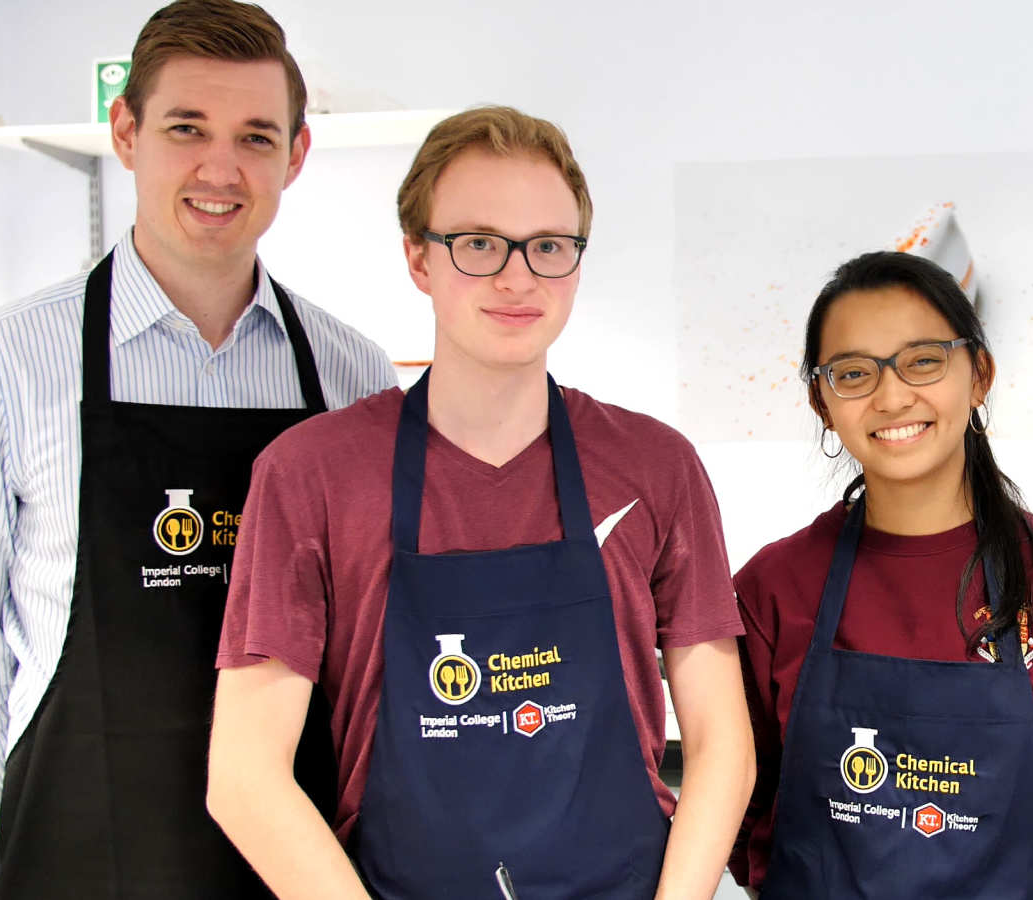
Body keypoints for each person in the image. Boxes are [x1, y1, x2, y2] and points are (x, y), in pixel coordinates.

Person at [203, 106, 754, 899]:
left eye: (549, 247)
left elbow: (721, 744)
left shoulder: (657, 467)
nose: (517, 276)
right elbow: (245, 776)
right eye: (479, 243)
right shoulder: (311, 475)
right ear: (419, 260)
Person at [0, 1, 394, 894]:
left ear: (294, 157)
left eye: (256, 137)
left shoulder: (353, 375)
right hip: (79, 848)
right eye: (187, 128)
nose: (221, 168)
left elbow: (375, 648)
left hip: (301, 863)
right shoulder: (14, 363)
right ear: (126, 131)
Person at [728, 251, 1033, 898]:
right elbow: (742, 802)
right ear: (821, 402)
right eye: (853, 373)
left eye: (923, 361)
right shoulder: (772, 590)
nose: (891, 396)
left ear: (979, 376)